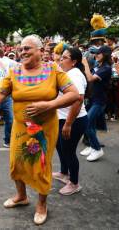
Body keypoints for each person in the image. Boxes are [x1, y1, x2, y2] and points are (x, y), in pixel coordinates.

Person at [0, 35, 78, 225]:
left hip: (44, 129)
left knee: (41, 166)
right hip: (20, 128)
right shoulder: (13, 72)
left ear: (40, 51)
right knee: (16, 163)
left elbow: (74, 94)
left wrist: (48, 105)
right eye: (21, 49)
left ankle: (42, 205)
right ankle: (21, 196)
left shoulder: (53, 69)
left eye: (27, 48)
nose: (23, 52)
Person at [53, 47, 88, 195]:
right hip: (62, 118)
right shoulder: (67, 73)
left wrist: (68, 123)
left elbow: (78, 99)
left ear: (74, 62)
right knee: (60, 147)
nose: (61, 59)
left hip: (74, 120)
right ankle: (63, 173)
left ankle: (74, 183)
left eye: (65, 58)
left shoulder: (75, 74)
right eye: (61, 57)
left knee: (68, 151)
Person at [80, 45, 112, 161]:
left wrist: (86, 64)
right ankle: (92, 146)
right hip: (93, 98)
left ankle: (97, 149)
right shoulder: (99, 66)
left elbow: (90, 78)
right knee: (90, 124)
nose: (96, 55)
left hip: (100, 101)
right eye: (95, 53)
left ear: (105, 55)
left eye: (99, 53)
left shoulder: (106, 68)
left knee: (87, 122)